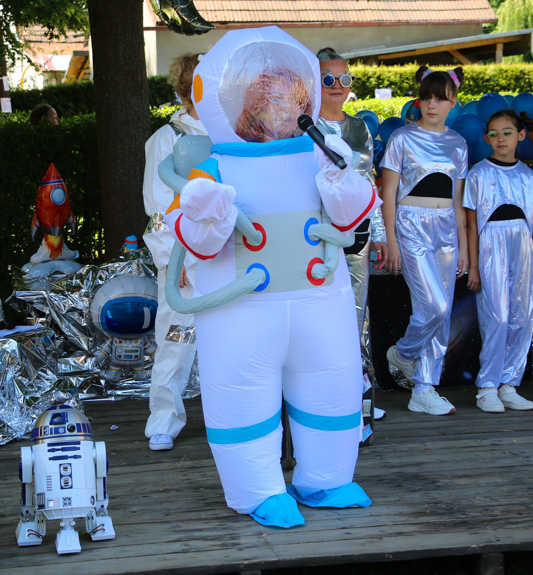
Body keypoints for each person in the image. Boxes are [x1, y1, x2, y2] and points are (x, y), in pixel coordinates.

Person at [166, 27, 378, 527]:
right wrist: (208, 209)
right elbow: (197, 242)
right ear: (237, 101)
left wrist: (342, 177)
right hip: (242, 312)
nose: (281, 106)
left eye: (290, 95)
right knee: (241, 396)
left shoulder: (319, 152)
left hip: (319, 302)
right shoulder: (215, 166)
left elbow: (352, 220)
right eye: (269, 96)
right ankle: (257, 489)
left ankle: (326, 478)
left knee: (334, 387)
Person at [379, 65, 468, 416]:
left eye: (440, 99)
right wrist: (391, 239)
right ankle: (402, 353)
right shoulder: (401, 137)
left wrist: (461, 243)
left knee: (441, 315)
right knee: (436, 306)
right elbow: (387, 192)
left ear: (453, 102)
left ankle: (424, 388)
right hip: (411, 224)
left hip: (445, 226)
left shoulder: (458, 143)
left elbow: (458, 199)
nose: (432, 105)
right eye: (427, 98)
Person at [315, 47, 388, 423]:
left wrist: (379, 234)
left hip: (357, 234)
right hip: (316, 235)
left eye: (345, 79)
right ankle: (325, 396)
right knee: (323, 313)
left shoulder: (360, 127)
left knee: (357, 314)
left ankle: (360, 394)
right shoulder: (301, 126)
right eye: (329, 78)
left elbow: (369, 184)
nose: (338, 86)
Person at [142, 53, 207, 451]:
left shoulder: (238, 135)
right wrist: (172, 260)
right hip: (187, 260)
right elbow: (158, 208)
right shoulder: (167, 139)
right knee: (176, 339)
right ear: (187, 89)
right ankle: (163, 420)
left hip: (230, 257)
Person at [464, 110, 533, 413]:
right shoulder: (479, 173)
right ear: (487, 138)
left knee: (521, 316)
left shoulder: (528, 176)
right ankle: (487, 386)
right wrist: (474, 266)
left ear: (521, 135)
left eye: (508, 132)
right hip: (491, 244)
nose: (501, 139)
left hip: (522, 246)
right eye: (495, 133)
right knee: (496, 315)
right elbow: (472, 224)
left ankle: (510, 384)